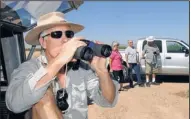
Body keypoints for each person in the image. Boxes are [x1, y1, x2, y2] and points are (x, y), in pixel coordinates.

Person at [5, 12, 119, 119]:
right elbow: (13, 104)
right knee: (42, 93)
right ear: (43, 42)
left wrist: (102, 71)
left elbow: (108, 101)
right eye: (57, 34)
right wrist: (59, 60)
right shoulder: (30, 68)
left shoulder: (82, 68)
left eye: (69, 34)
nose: (65, 40)